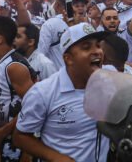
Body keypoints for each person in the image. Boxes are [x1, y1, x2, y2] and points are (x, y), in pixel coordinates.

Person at [13, 23, 110, 162]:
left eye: (98, 45)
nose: (97, 51)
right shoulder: (43, 93)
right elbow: (20, 137)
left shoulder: (109, 80)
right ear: (68, 58)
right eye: (86, 47)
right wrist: (56, 157)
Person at [0, 16, 35, 161]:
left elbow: (34, 107)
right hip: (1, 142)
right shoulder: (2, 63)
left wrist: (2, 132)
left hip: (15, 146)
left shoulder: (14, 67)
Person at [38, 0, 79, 70]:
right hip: (79, 73)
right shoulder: (83, 22)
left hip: (58, 74)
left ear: (57, 5)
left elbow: (41, 54)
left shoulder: (49, 24)